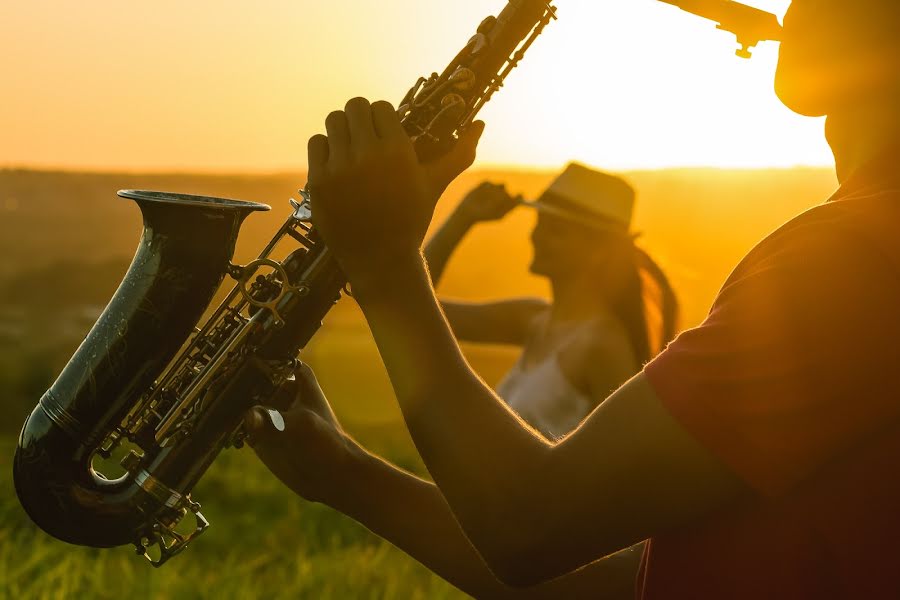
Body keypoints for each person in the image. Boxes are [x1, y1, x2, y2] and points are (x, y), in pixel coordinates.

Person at [247, 1, 900, 598]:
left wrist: (388, 261)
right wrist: (345, 474)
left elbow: (531, 525)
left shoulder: (853, 258)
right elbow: (636, 583)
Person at [425, 165, 678, 440]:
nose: (536, 236)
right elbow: (415, 311)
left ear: (600, 251)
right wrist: (462, 219)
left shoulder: (602, 344)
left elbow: (627, 453)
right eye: (539, 222)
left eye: (555, 230)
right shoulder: (536, 318)